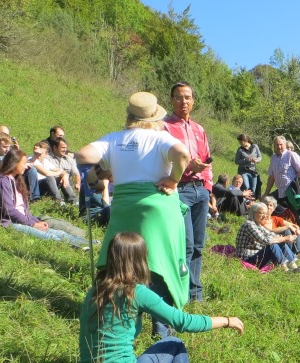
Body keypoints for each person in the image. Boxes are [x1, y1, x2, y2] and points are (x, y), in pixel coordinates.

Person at [76, 91, 192, 337]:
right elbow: (183, 154)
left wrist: (103, 169)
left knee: (122, 263)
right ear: (154, 116)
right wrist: (173, 179)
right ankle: (162, 330)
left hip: (125, 207)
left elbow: (83, 155)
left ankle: (119, 319)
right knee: (160, 265)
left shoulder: (115, 139)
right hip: (157, 206)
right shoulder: (160, 137)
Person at [79, 232, 244, 363]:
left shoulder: (94, 292)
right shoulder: (136, 292)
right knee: (174, 343)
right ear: (139, 260)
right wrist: (227, 321)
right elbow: (183, 322)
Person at [162, 82, 213, 304]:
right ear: (172, 100)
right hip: (179, 190)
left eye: (188, 97)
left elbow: (207, 159)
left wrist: (208, 189)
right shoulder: (164, 127)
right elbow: (161, 161)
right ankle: (178, 292)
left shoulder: (199, 129)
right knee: (186, 245)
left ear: (193, 101)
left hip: (199, 190)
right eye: (179, 97)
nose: (184, 102)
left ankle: (195, 293)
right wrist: (185, 167)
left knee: (199, 245)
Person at [0, 149, 87, 248]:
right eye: (24, 163)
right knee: (51, 236)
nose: (26, 166)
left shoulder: (17, 180)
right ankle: (80, 248)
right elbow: (9, 210)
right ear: (14, 163)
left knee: (60, 232)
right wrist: (33, 224)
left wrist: (36, 221)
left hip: (24, 220)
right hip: (10, 222)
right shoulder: (2, 182)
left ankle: (91, 244)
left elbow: (23, 209)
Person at [264, 135, 300, 243]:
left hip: (291, 190)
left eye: (281, 144)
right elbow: (272, 177)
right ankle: (274, 232)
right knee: (270, 207)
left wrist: (299, 185)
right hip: (280, 191)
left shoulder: (291, 155)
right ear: (274, 145)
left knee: (299, 213)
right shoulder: (273, 158)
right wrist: (266, 193)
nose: (279, 147)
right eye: (277, 145)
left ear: (284, 145)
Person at [235, 202, 300, 271]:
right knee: (272, 245)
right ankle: (284, 269)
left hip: (257, 256)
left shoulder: (258, 225)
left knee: (280, 242)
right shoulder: (249, 225)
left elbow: (271, 235)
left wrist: (290, 237)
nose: (264, 216)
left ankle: (293, 266)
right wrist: (284, 238)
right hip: (248, 258)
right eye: (261, 213)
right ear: (253, 213)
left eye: (265, 213)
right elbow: (265, 240)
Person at [47, 137, 80, 205]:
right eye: (62, 148)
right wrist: (63, 176)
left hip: (66, 184)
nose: (65, 150)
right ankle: (59, 201)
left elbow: (76, 173)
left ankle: (73, 202)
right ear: (55, 147)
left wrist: (77, 183)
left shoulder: (69, 159)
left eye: (65, 147)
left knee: (63, 178)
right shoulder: (47, 158)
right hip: (49, 185)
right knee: (58, 178)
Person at [234, 134, 262, 198]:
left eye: (241, 142)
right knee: (246, 186)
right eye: (239, 142)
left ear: (246, 140)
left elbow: (260, 157)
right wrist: (246, 160)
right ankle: (246, 200)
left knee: (253, 188)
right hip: (243, 170)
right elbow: (236, 161)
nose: (240, 144)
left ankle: (251, 202)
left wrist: (257, 160)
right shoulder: (240, 150)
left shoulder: (255, 147)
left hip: (253, 171)